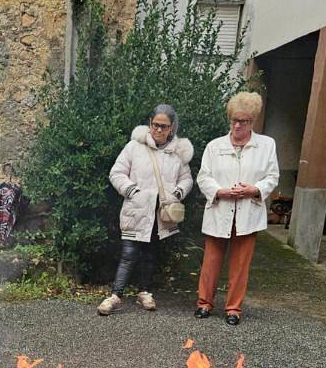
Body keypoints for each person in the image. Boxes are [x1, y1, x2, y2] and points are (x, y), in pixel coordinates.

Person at [99, 105, 193, 315]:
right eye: (155, 125)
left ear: (172, 128)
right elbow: (117, 172)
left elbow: (186, 179)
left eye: (164, 126)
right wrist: (131, 190)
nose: (158, 130)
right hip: (137, 210)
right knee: (129, 253)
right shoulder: (134, 147)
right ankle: (116, 295)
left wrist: (177, 193)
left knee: (151, 252)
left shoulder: (177, 153)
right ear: (150, 124)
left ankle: (144, 292)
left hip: (160, 214)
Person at [194, 91, 279, 326]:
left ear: (253, 121)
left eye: (245, 121)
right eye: (235, 120)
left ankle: (233, 308)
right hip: (220, 209)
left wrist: (254, 189)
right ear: (229, 119)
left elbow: (272, 177)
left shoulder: (266, 145)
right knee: (211, 261)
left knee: (240, 265)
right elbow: (204, 177)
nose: (239, 125)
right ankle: (204, 303)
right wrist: (220, 191)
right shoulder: (215, 146)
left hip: (247, 212)